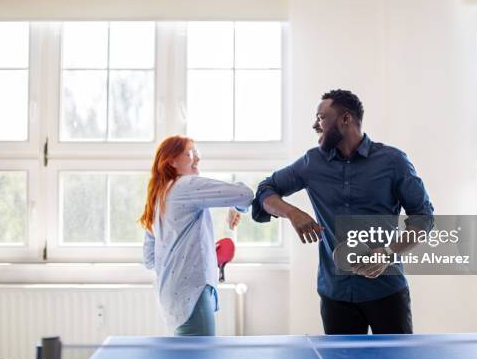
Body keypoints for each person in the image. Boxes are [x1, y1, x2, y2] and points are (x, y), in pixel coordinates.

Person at [252, 89, 434, 335]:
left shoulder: (393, 162)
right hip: (335, 294)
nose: (316, 125)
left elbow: (423, 219)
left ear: (345, 119)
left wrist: (389, 252)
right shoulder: (311, 162)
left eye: (321, 117)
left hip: (387, 291)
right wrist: (292, 213)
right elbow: (265, 190)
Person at [140, 135, 254, 336]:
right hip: (192, 292)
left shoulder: (158, 197)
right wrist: (236, 205)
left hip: (171, 295)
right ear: (171, 161)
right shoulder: (185, 185)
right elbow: (245, 194)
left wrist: (195, 252)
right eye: (190, 153)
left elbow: (150, 259)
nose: (197, 159)